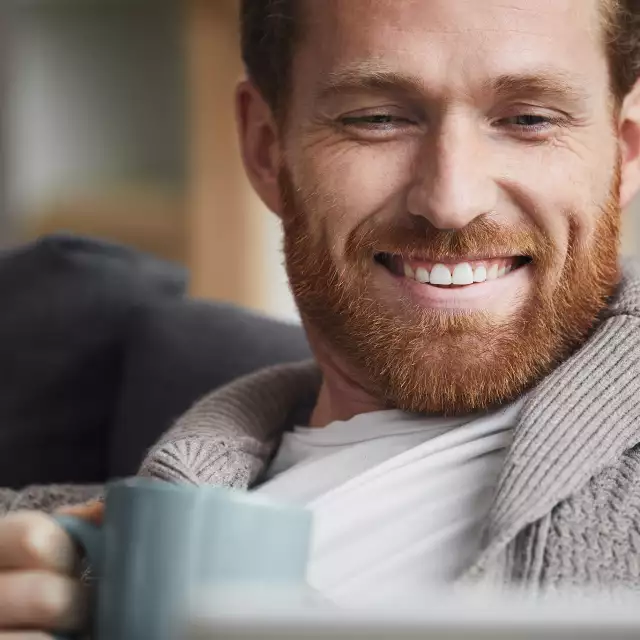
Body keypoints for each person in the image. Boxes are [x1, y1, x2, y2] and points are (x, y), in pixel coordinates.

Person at [2, 0, 640, 634]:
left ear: (626, 153)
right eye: (377, 118)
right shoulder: (53, 551)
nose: (451, 200)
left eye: (529, 119)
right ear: (266, 148)